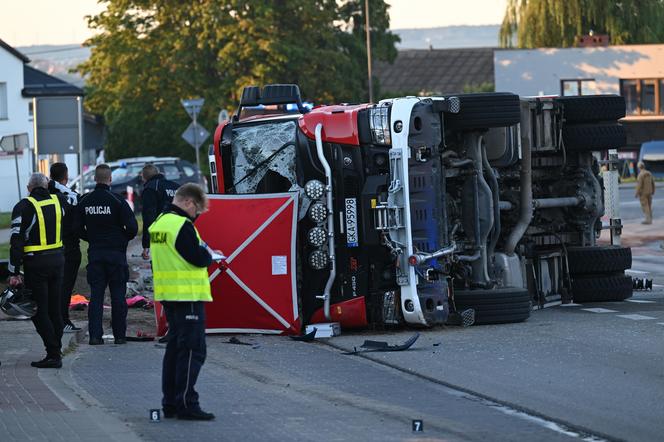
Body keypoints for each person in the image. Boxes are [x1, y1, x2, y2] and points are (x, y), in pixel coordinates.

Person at [150, 183, 215, 420]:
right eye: (196, 210)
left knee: (175, 350)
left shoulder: (159, 222)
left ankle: (171, 403)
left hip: (169, 295)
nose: (196, 216)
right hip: (187, 295)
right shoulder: (181, 225)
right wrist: (208, 254)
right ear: (188, 202)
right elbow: (198, 257)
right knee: (192, 351)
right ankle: (187, 403)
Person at [9, 173, 66, 368]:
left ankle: (53, 353)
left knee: (38, 310)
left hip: (36, 265)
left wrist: (13, 271)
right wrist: (56, 185)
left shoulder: (24, 206)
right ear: (47, 185)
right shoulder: (59, 201)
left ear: (29, 187)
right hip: (58, 261)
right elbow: (74, 197)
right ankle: (56, 349)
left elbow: (16, 241)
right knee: (54, 309)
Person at [78, 164, 138, 345]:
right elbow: (133, 228)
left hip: (96, 255)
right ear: (110, 179)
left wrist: (92, 239)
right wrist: (121, 240)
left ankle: (95, 336)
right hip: (116, 256)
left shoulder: (85, 201)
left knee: (96, 297)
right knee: (118, 297)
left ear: (95, 179)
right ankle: (119, 336)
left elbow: (76, 228)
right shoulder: (118, 201)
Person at [48, 163, 81, 332]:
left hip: (48, 249)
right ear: (66, 176)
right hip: (69, 248)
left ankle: (54, 319)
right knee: (65, 287)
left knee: (53, 287)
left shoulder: (45, 194)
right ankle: (63, 321)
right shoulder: (70, 196)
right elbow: (77, 221)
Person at [141, 164, 179, 260]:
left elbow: (149, 217)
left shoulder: (151, 188)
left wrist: (146, 244)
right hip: (180, 231)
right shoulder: (176, 186)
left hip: (161, 234)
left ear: (144, 177)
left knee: (163, 262)